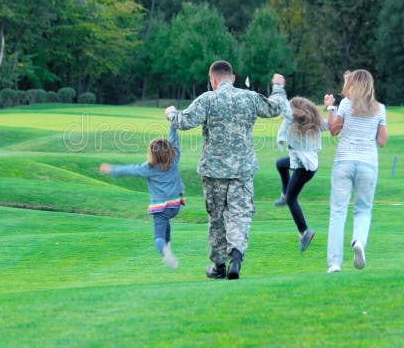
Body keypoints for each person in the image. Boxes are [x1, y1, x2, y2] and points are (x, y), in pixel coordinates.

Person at [165, 60, 286, 280]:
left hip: (213, 171)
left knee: (217, 218)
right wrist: (278, 86)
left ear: (213, 80)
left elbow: (184, 122)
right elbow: (276, 107)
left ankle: (219, 266)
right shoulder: (249, 97)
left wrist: (171, 113)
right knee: (239, 214)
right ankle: (236, 256)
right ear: (232, 78)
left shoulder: (208, 99)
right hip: (242, 170)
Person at [324, 69, 388, 273]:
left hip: (344, 161)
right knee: (363, 209)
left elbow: (334, 130)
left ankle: (334, 263)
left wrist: (329, 108)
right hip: (368, 163)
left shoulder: (345, 104)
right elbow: (382, 141)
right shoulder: (379, 108)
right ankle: (359, 241)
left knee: (338, 212)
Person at [99, 122, 185, 270]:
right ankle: (168, 247)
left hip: (160, 208)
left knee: (158, 237)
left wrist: (112, 170)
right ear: (170, 151)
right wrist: (172, 122)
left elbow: (130, 170)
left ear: (152, 154)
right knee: (167, 222)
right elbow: (174, 140)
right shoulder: (174, 160)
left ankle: (165, 252)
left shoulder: (149, 168)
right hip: (175, 206)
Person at [273, 96, 329, 252]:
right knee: (280, 164)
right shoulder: (314, 123)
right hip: (304, 164)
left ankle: (304, 231)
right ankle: (284, 194)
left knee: (292, 199)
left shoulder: (295, 124)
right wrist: (331, 108)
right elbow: (330, 125)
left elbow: (286, 116)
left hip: (304, 168)